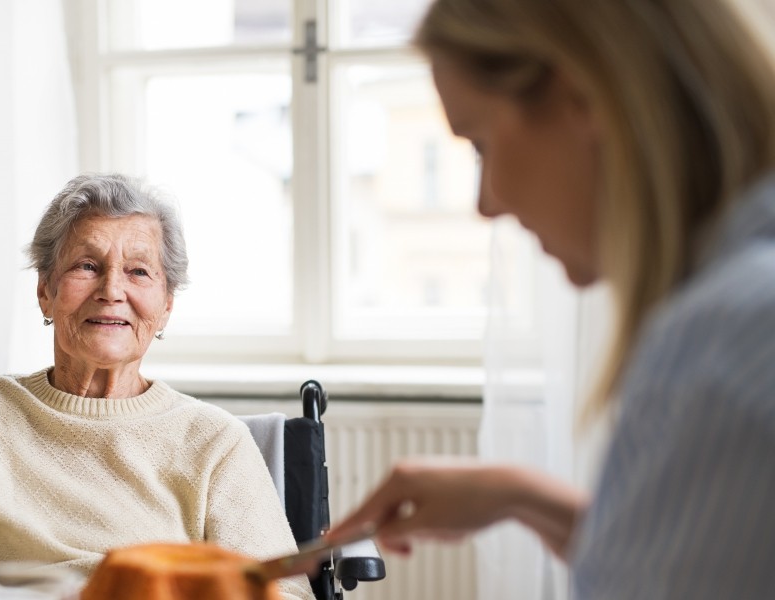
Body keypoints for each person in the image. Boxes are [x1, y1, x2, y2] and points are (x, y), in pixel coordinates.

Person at [325, 0, 775, 598]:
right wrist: (521, 497)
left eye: (481, 145)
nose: (487, 203)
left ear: (584, 95)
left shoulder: (716, 348)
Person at [0, 173, 313, 599]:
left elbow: (282, 592)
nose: (111, 290)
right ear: (45, 290)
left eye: (139, 272)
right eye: (87, 266)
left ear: (165, 307)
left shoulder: (215, 441)